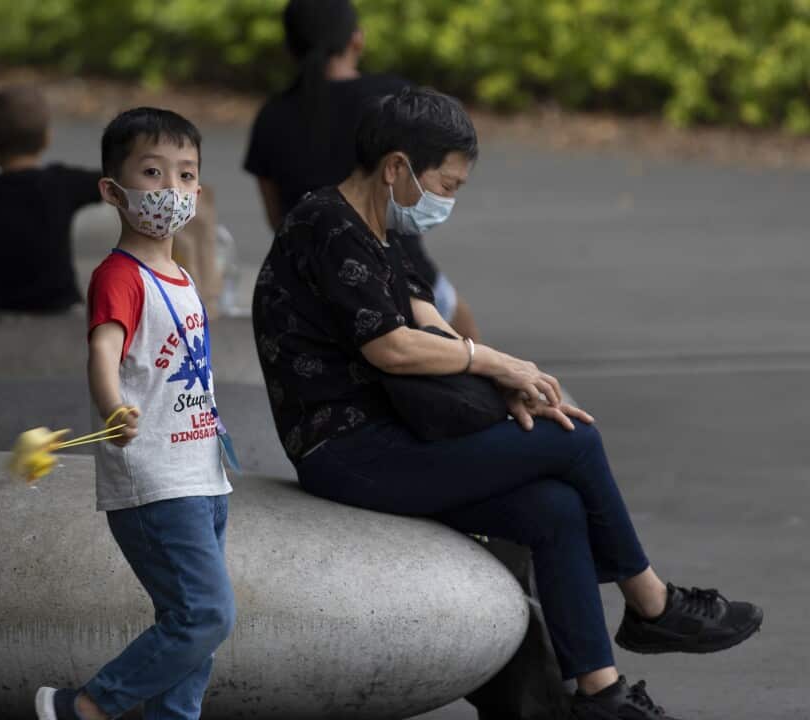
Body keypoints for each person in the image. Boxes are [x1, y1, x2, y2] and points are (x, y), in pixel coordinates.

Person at [251, 87, 763, 720]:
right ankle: (652, 604)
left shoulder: (379, 232)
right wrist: (495, 361)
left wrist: (505, 387)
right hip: (348, 449)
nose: (449, 199)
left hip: (398, 437)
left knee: (555, 507)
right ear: (396, 167)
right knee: (573, 440)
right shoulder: (324, 223)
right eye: (447, 183)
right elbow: (392, 349)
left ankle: (600, 696)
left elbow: (426, 323)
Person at [35, 108, 234, 720]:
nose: (171, 190)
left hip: (202, 472)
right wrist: (112, 405)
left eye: (185, 175)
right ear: (112, 191)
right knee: (207, 615)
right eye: (152, 172)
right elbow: (103, 350)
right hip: (154, 480)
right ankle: (86, 706)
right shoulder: (119, 275)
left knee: (187, 628)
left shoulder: (179, 274)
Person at [243, 0, 479, 340]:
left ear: (290, 46)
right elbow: (398, 349)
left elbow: (275, 215)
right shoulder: (393, 100)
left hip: (309, 279)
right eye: (448, 185)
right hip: (395, 271)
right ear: (357, 40)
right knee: (462, 340)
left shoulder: (271, 116)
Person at [0, 84, 102, 322]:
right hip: (61, 310)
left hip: (0, 314)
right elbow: (111, 181)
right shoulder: (62, 183)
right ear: (47, 139)